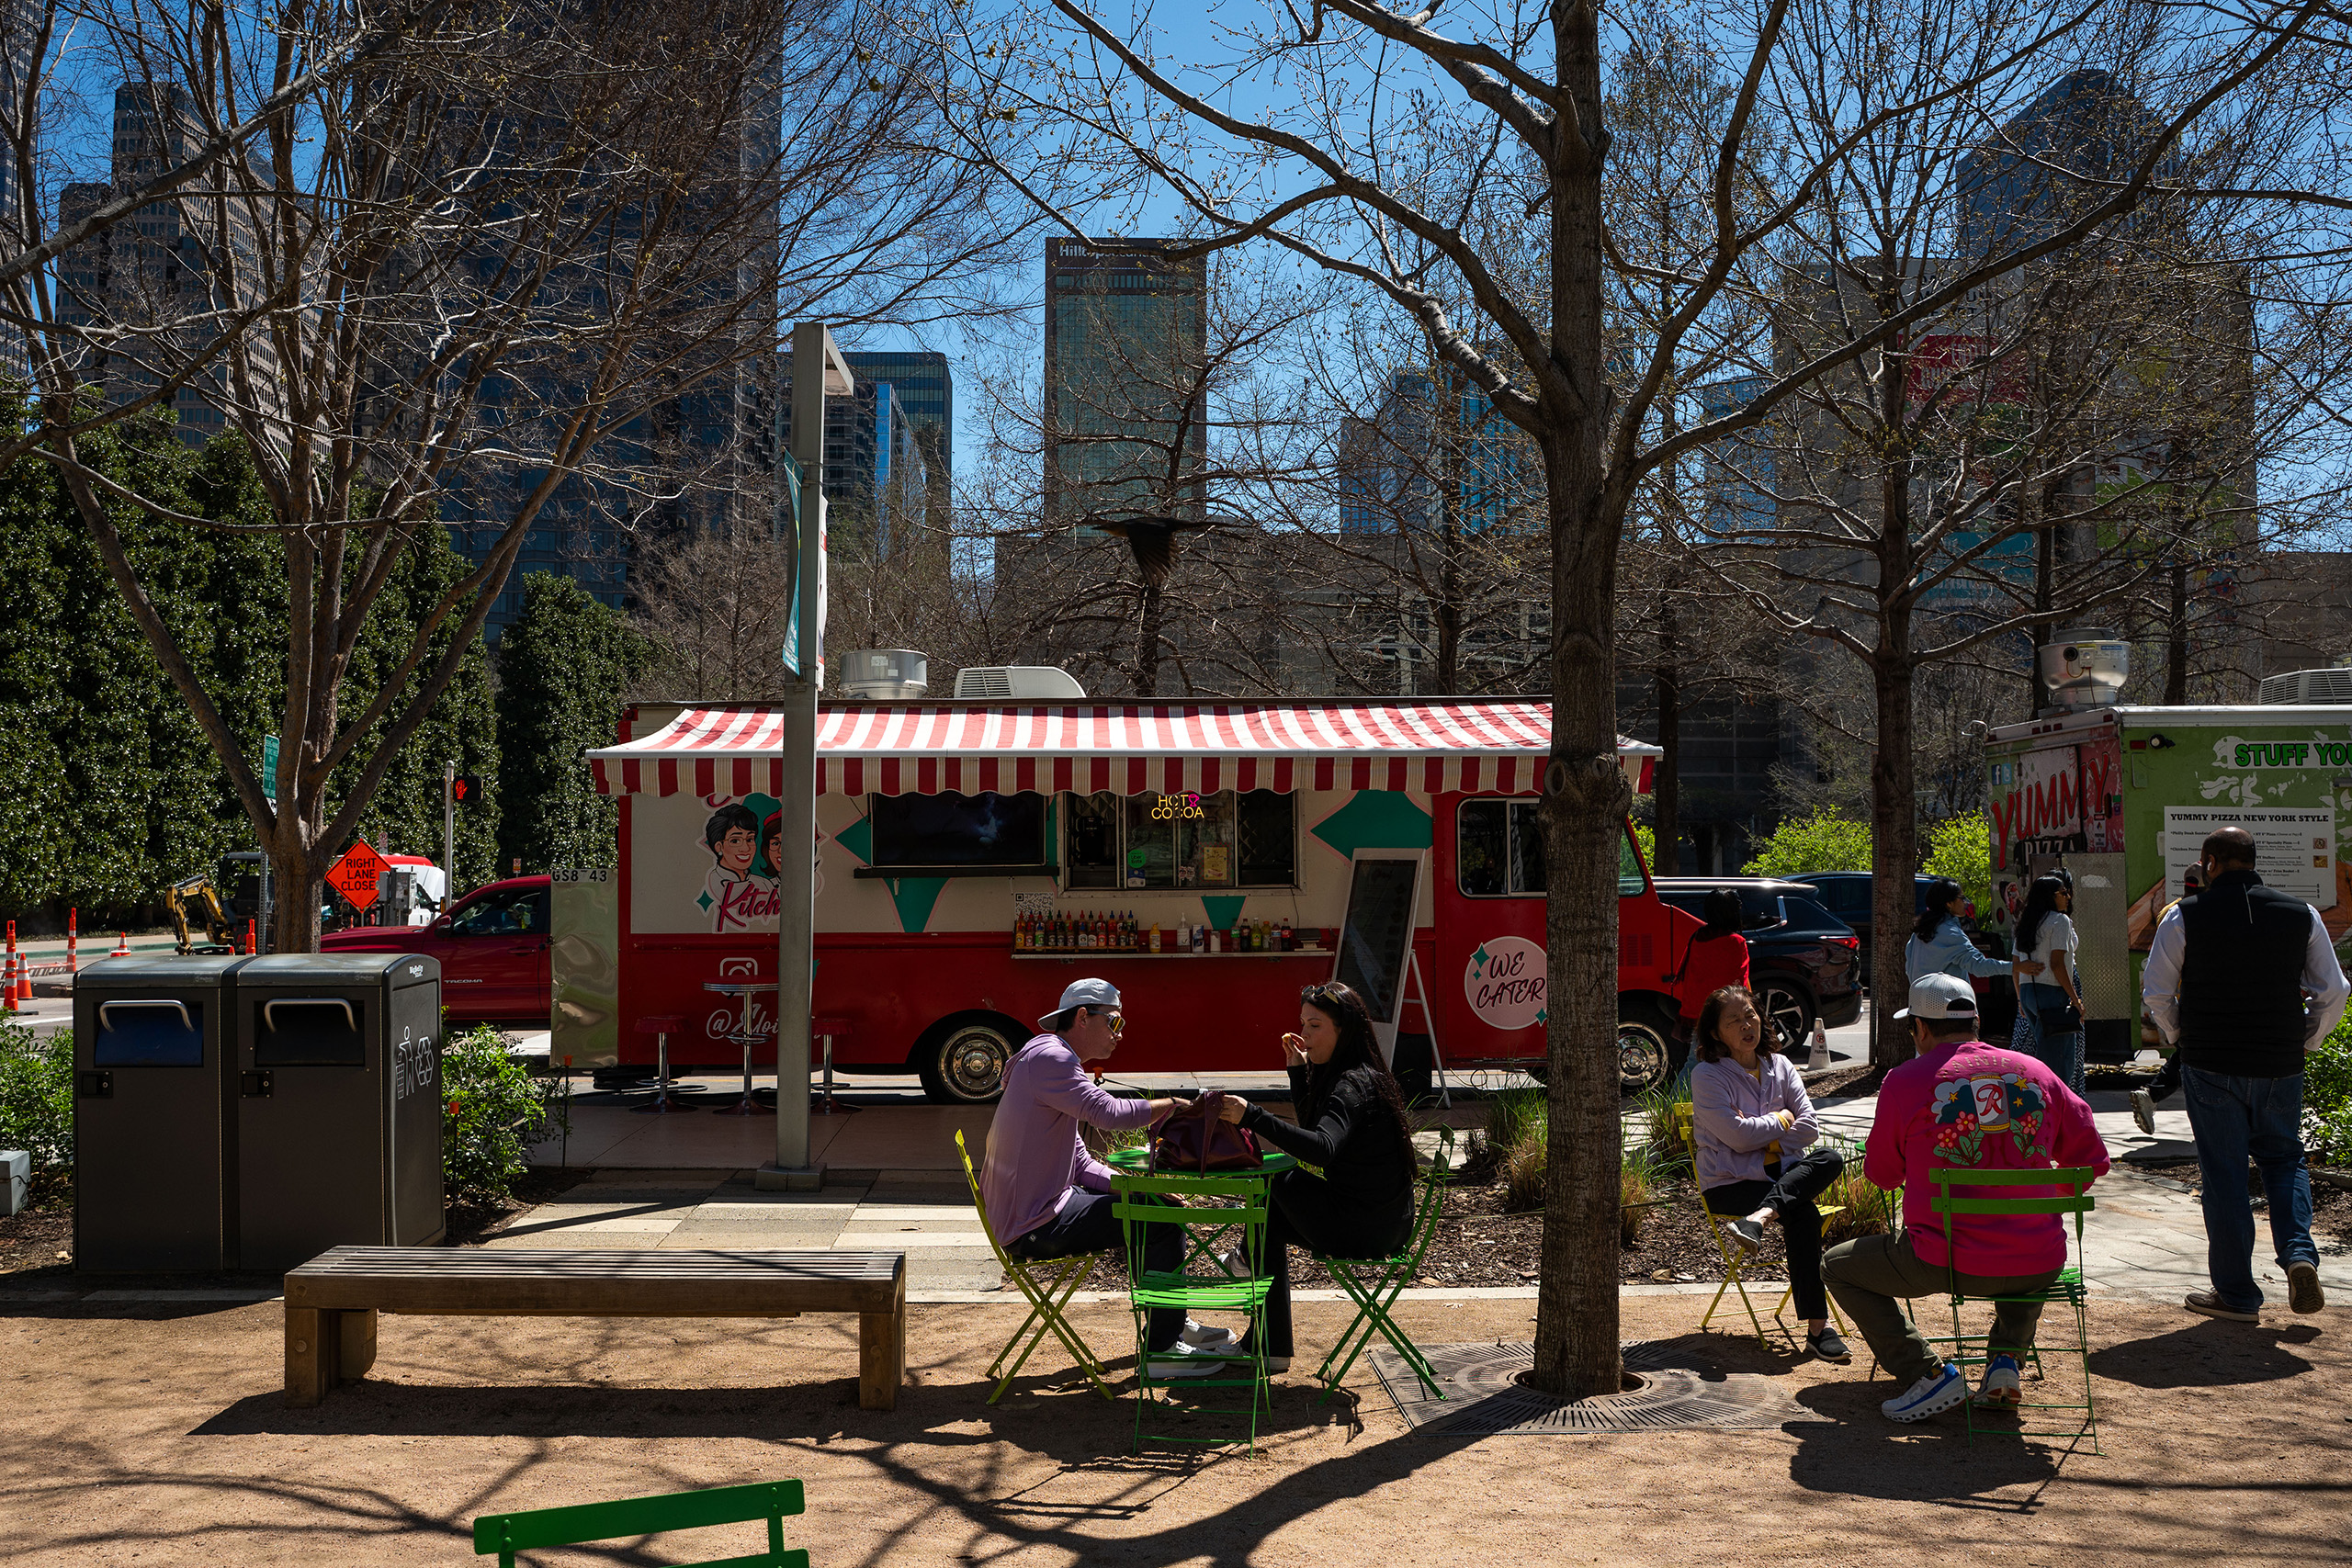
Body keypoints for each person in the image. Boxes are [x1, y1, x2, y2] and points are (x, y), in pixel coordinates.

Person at [1821, 974, 2108, 1424]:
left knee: (1836, 1267)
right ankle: (2004, 1364)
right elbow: (2092, 1161)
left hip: (1945, 1259)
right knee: (2034, 1247)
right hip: (2036, 1262)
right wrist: (2035, 1198)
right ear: (1974, 1020)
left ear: (1919, 1027)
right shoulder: (2037, 1073)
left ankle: (1926, 1374)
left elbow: (1882, 1174)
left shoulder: (1905, 1081)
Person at [2141, 825, 2346, 1321]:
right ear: (2254, 862)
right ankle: (2298, 1254)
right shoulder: (2303, 915)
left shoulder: (2184, 916)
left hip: (2211, 1062)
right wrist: (2307, 1039)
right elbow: (2334, 990)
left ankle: (2236, 1294)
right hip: (2278, 1061)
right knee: (2283, 1160)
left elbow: (2156, 993)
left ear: (2209, 863)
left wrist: (2178, 1036)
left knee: (2225, 1174)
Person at [980, 978, 1234, 1376]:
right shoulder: (1053, 1059)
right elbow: (1109, 1114)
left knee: (1149, 1207)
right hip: (1032, 1222)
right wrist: (1170, 1105)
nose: (1120, 1035)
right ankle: (1164, 1349)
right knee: (1159, 1222)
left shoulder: (1047, 1058)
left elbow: (1080, 1164)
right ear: (1083, 1017)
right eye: (1114, 1024)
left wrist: (1139, 1186)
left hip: (1038, 1209)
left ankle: (1169, 1322)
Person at [1214, 982, 1419, 1373]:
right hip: (1384, 1222)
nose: (1304, 1034)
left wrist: (1253, 1116)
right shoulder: (1359, 1074)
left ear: (1344, 1031)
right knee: (1271, 1219)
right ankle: (1268, 1344)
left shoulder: (1352, 1084)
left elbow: (1321, 1149)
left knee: (1275, 1177)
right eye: (1303, 1023)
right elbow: (1320, 1131)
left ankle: (1247, 1269)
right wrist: (1298, 1072)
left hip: (1366, 1228)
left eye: (1316, 1025)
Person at [1689, 985, 1849, 1361]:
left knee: (1830, 1157)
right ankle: (1817, 1328)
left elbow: (1810, 1127)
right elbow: (1738, 1138)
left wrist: (1759, 1131)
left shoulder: (1781, 1065)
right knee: (1802, 1211)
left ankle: (1758, 1219)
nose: (1747, 1025)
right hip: (1731, 1185)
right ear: (1715, 1033)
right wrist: (1781, 1119)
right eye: (1734, 1021)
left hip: (1777, 1184)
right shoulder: (1708, 1076)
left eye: (1750, 1015)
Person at [2130, 864, 2202, 1134]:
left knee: (2185, 1052)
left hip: (2181, 995)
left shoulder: (2170, 912)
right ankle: (2152, 1094)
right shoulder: (2200, 911)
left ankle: (2152, 1094)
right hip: (2198, 996)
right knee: (2189, 1054)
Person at [2012, 874, 2086, 1092]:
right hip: (2053, 993)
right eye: (2063, 893)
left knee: (2044, 1053)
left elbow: (2016, 964)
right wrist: (2075, 999)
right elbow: (2057, 964)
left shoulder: (2026, 922)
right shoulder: (2059, 921)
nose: (2068, 897)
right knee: (2060, 1063)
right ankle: (2053, 1112)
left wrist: (2019, 999)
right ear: (2050, 897)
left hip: (2028, 992)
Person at [1669, 889, 1752, 1048]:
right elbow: (1738, 981)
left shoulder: (1698, 937)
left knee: (1696, 1057)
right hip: (1724, 1012)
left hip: (1695, 1011)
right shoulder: (1735, 942)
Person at [1905, 878, 2013, 984]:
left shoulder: (1919, 933)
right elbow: (1979, 966)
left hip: (1918, 997)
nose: (1965, 902)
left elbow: (1909, 969)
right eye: (1962, 898)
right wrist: (2015, 967)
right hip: (1948, 998)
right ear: (1949, 904)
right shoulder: (1950, 933)